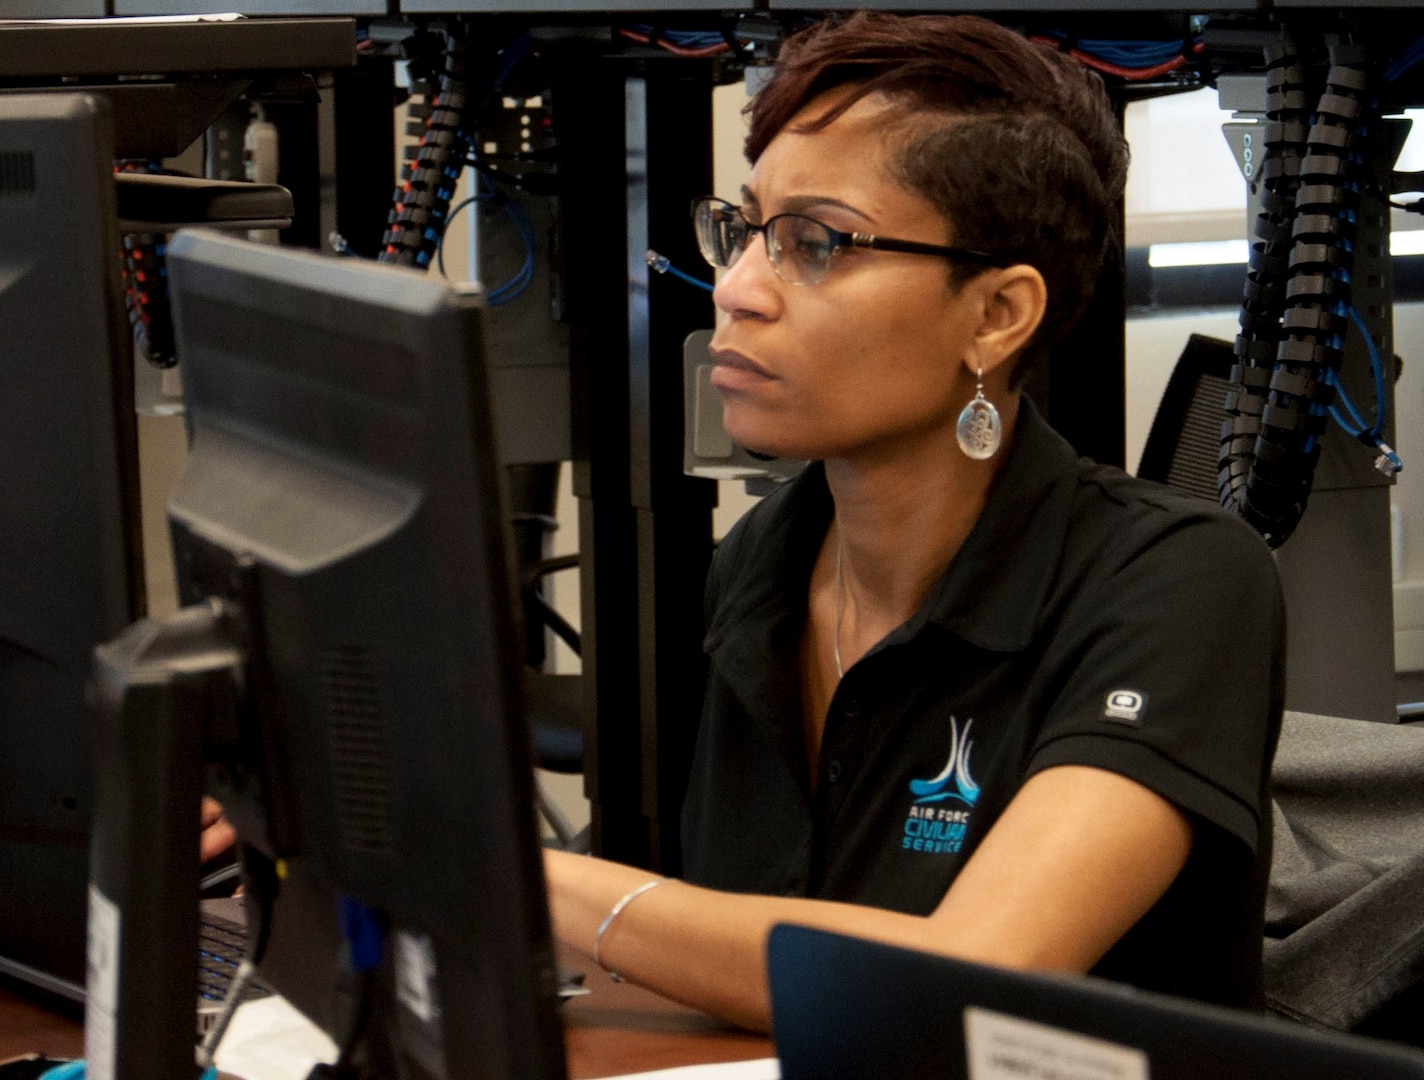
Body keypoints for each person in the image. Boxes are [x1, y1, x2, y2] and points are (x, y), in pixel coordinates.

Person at [547, 10, 1287, 1034]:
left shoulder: (1177, 578)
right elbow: (732, 961)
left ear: (995, 315)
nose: (734, 290)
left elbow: (965, 977)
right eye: (745, 228)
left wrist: (517, 874)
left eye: (814, 243)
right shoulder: (762, 566)